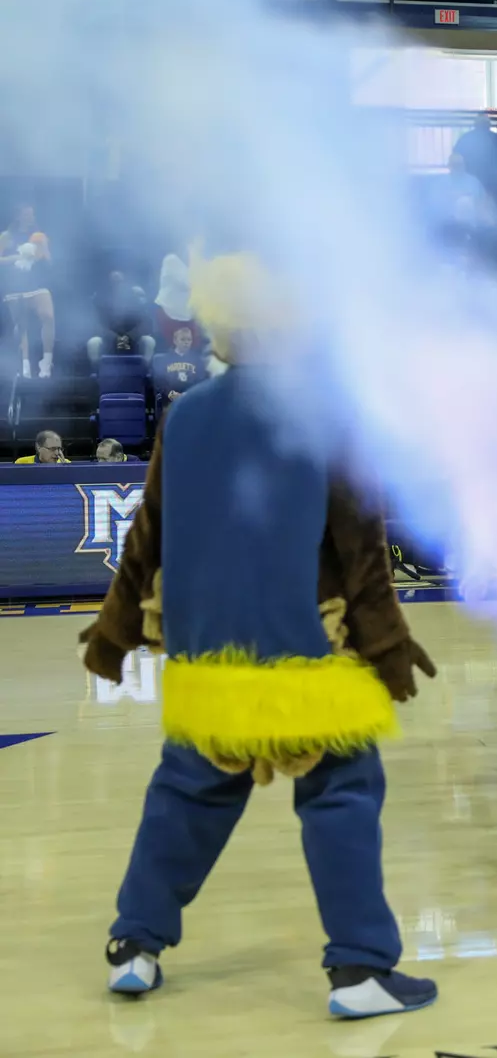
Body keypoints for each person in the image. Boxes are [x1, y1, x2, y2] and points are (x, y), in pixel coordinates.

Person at [83, 255, 440, 1012]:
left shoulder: (186, 415)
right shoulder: (324, 415)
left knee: (186, 792)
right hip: (301, 656)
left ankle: (136, 945)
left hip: (205, 658)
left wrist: (114, 633)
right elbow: (363, 554)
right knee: (342, 788)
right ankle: (359, 969)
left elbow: (144, 538)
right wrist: (388, 648)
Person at [0, 203, 56, 378]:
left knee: (48, 316)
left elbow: (48, 261)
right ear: (18, 216)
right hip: (16, 285)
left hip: (37, 283)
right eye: (26, 214)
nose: (29, 218)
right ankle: (24, 366)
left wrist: (43, 252)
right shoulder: (7, 236)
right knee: (22, 325)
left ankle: (46, 362)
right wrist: (17, 257)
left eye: (31, 215)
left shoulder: (39, 236)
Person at [89, 270, 157, 363]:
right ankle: (96, 372)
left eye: (119, 281)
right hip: (109, 340)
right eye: (114, 282)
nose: (117, 284)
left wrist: (129, 336)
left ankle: (146, 371)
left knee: (149, 341)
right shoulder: (101, 301)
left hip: (133, 339)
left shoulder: (135, 301)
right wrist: (114, 337)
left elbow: (144, 323)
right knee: (93, 342)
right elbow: (97, 325)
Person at [153, 324, 206, 410]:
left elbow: (201, 380)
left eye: (189, 339)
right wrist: (170, 393)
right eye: (183, 339)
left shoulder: (198, 360)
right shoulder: (164, 360)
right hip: (169, 399)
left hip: (192, 399)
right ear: (175, 340)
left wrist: (189, 394)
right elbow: (160, 381)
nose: (186, 342)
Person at [452, 113, 497, 182]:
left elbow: (455, 156)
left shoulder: (466, 138)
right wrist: (494, 168)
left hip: (471, 179)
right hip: (493, 179)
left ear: (475, 124)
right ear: (488, 125)